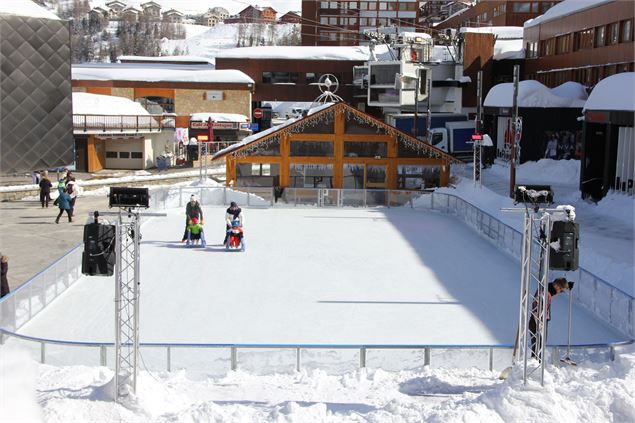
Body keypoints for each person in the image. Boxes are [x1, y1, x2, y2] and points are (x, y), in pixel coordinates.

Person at [528, 277, 569, 359]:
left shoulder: (547, 291)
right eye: (560, 290)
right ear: (557, 286)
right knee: (538, 347)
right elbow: (536, 307)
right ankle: (535, 364)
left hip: (538, 322)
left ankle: (535, 362)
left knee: (538, 347)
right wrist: (539, 322)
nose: (559, 293)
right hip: (537, 322)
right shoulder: (546, 293)